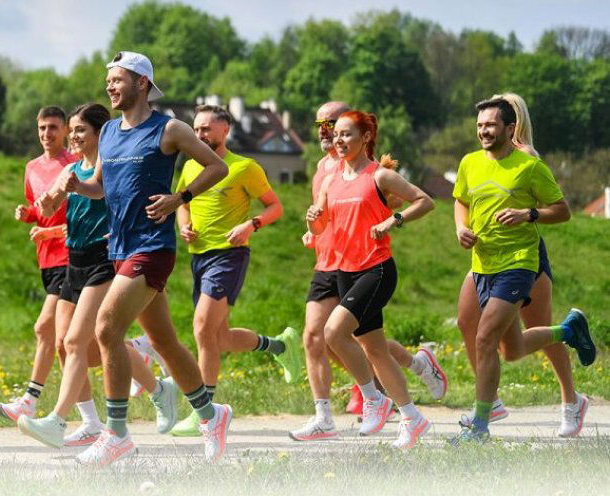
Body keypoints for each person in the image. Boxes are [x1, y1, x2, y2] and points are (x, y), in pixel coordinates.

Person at [62, 51, 231, 466]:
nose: (110, 87)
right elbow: (101, 187)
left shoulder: (168, 129)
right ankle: (212, 415)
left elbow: (217, 167)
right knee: (164, 342)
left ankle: (116, 433)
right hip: (118, 248)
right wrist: (77, 186)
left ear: (141, 83)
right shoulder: (109, 134)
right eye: (108, 82)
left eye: (117, 80)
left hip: (152, 247)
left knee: (106, 328)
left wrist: (179, 198)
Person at [17, 103, 178, 449]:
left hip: (104, 261)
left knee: (76, 342)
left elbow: (115, 198)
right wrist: (40, 207)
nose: (73, 136)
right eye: (71, 130)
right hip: (73, 261)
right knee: (68, 347)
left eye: (80, 131)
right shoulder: (71, 169)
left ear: (99, 134)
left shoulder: (112, 171)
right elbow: (47, 205)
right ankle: (155, 390)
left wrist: (121, 228)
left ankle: (57, 421)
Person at [291, 102, 447, 442]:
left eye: (347, 134)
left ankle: (373, 399)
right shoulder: (330, 179)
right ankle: (412, 417)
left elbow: (425, 200)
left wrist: (393, 220)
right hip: (343, 268)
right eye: (337, 134)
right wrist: (312, 223)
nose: (339, 139)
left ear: (366, 137)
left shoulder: (379, 175)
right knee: (375, 350)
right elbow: (321, 227)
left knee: (333, 333)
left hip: (376, 269)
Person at [450, 97, 594, 444]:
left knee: (485, 337)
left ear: (510, 127)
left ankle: (481, 425)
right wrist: (460, 228)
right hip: (483, 264)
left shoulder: (528, 164)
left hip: (519, 263)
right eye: (480, 125)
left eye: (491, 125)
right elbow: (461, 200)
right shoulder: (469, 162)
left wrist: (528, 213)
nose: (484, 130)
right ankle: (568, 330)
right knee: (510, 349)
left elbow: (563, 211)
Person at [168, 104, 293, 437]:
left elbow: (275, 206)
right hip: (199, 256)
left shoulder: (243, 167)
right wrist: (185, 225)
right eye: (196, 129)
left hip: (229, 255)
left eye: (207, 129)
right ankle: (280, 346)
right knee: (219, 338)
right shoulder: (192, 166)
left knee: (201, 329)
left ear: (225, 130)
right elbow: (183, 203)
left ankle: (205, 412)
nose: (200, 135)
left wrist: (250, 225)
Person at [0, 106, 76, 421]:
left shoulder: (74, 165)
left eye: (54, 127)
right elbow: (41, 208)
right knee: (80, 338)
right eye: (42, 128)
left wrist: (49, 230)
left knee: (47, 329)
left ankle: (33, 402)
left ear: (66, 131)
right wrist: (27, 214)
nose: (47, 134)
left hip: (72, 255)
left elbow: (80, 216)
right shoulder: (31, 167)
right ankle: (144, 366)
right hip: (47, 259)